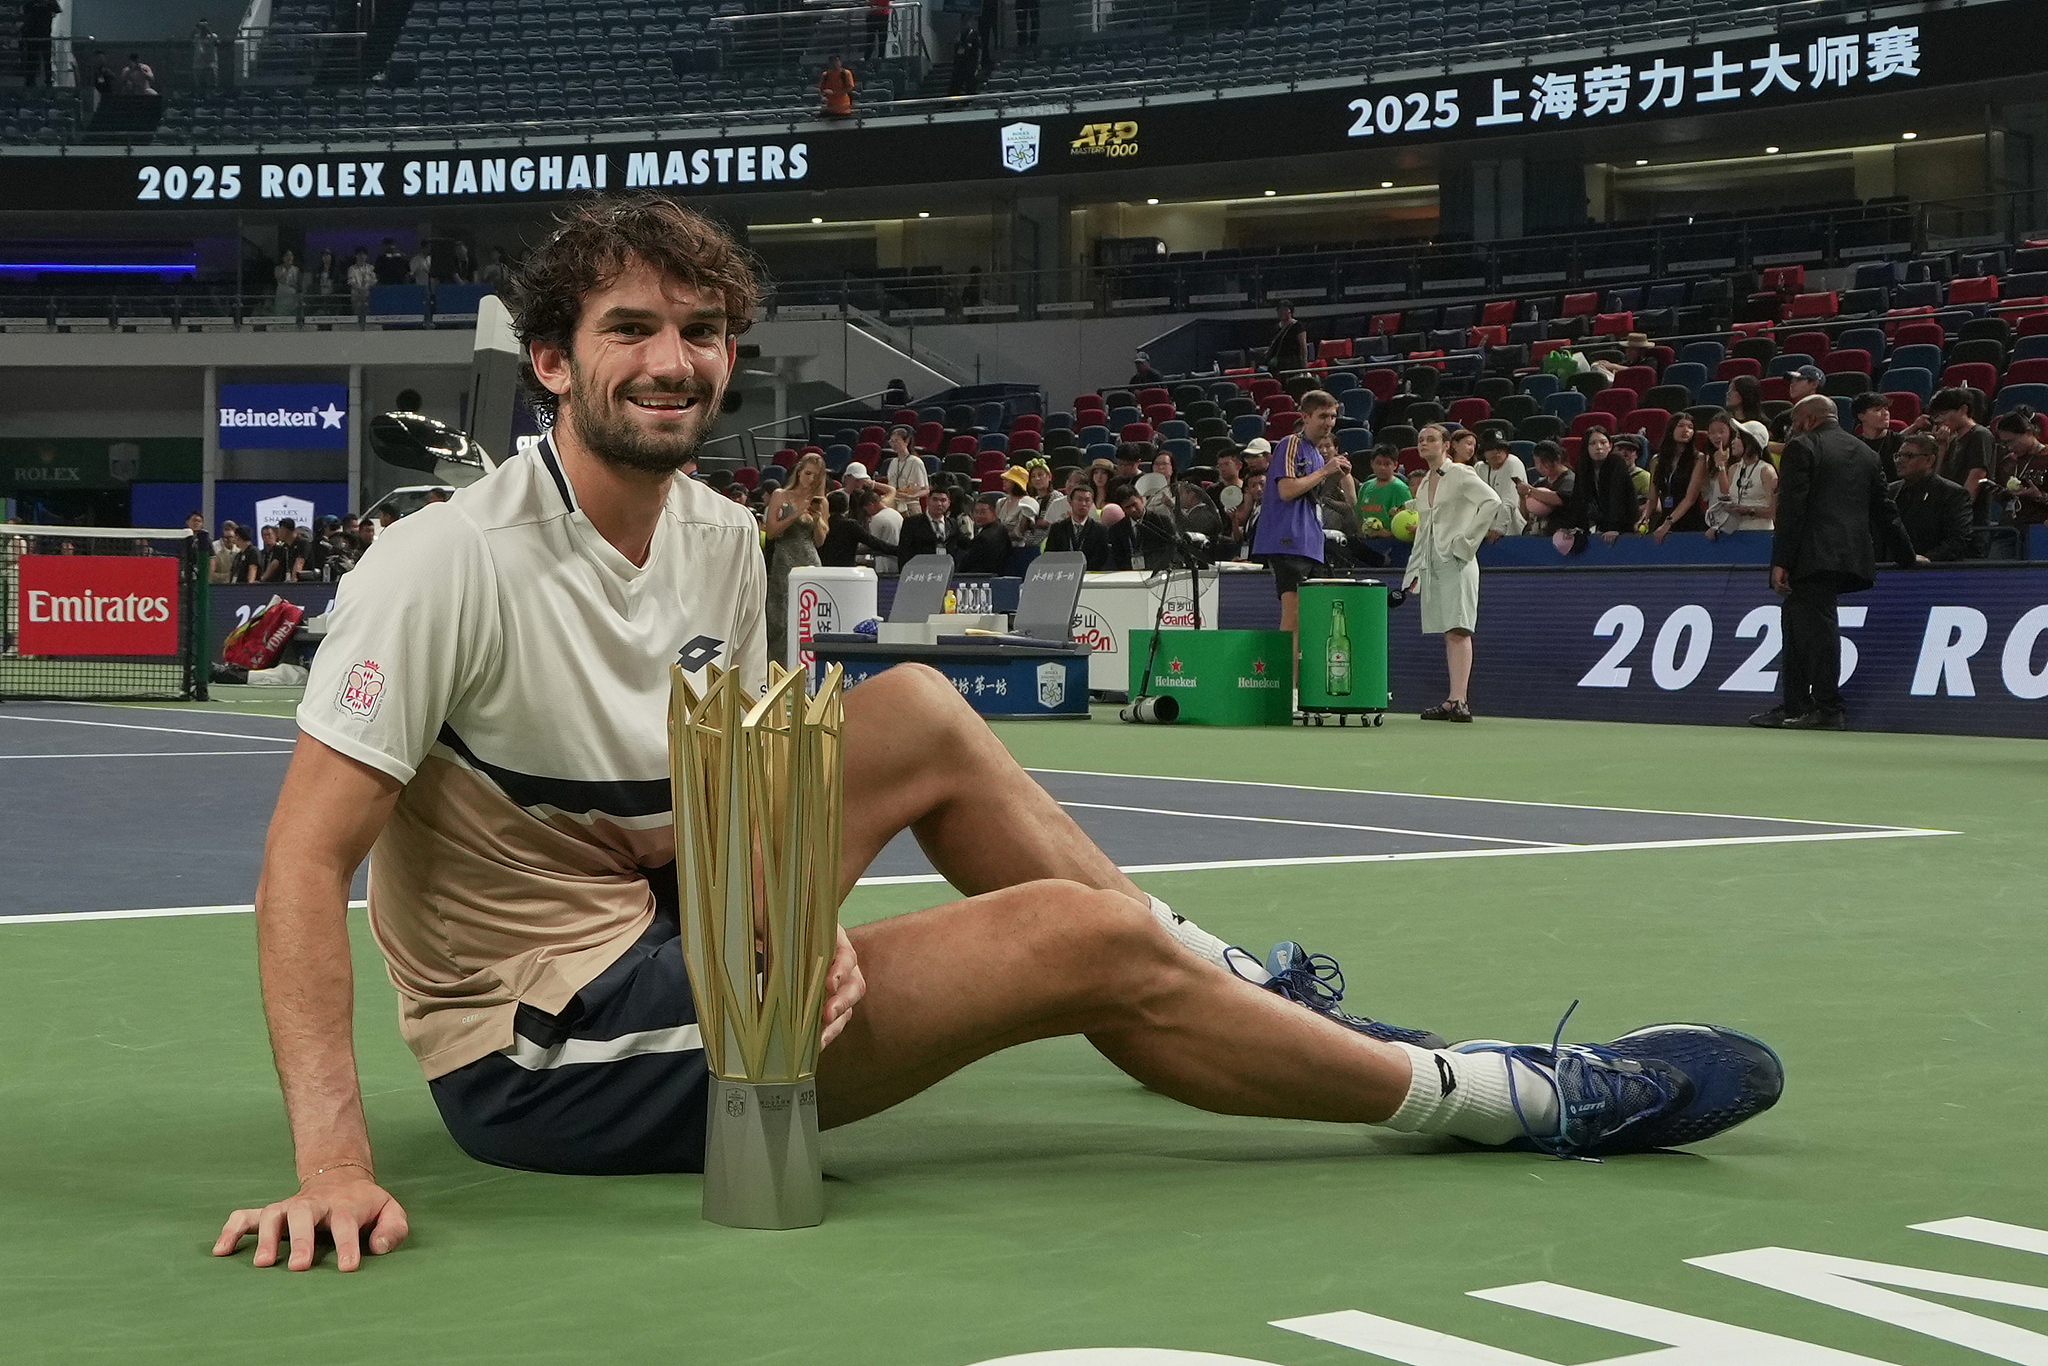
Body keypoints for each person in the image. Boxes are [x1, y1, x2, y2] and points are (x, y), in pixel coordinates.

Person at [217, 199, 1786, 1273]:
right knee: (1075, 941)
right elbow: (303, 861)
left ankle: (1214, 980)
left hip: (675, 939)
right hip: (549, 1050)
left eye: (703, 329)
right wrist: (337, 1161)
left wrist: (785, 914)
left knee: (911, 708)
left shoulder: (711, 537)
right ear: (555, 361)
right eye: (632, 327)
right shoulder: (444, 562)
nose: (675, 359)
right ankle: (1503, 1094)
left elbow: (733, 796)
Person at [1754, 394, 1921, 731]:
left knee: (1816, 630)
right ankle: (1795, 704)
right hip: (1851, 554)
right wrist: (1907, 555)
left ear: (1810, 419)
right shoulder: (1866, 452)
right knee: (1798, 625)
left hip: (1812, 554)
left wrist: (1781, 560)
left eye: (1796, 422)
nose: (1793, 429)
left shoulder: (1803, 446)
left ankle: (1828, 708)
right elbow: (1885, 510)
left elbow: (1792, 508)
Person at [1250, 390, 1349, 689]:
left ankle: (1307, 688)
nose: (1329, 422)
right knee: (1292, 618)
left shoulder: (1319, 455)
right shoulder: (1291, 444)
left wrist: (1339, 474)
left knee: (1314, 622)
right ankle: (1289, 692)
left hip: (1312, 544)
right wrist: (1325, 471)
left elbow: (1347, 503)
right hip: (1287, 540)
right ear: (1305, 417)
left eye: (1332, 416)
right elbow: (1287, 490)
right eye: (1323, 416)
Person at [1403, 424, 1501, 722]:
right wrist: (1413, 571)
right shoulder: (1423, 483)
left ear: (1446, 445)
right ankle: (1453, 699)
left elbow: (1491, 501)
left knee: (1459, 628)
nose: (1424, 444)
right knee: (1449, 631)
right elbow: (1424, 530)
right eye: (1421, 440)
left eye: (1431, 439)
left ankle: (1460, 700)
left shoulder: (1460, 473)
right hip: (1434, 563)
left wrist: (1467, 541)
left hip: (1458, 560)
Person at [763, 452, 829, 667]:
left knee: (808, 618)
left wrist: (818, 520)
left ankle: (807, 667)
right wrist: (794, 514)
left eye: (815, 476)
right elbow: (771, 532)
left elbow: (819, 541)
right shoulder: (780, 495)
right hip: (784, 560)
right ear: (799, 471)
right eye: (808, 473)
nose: (810, 479)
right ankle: (778, 668)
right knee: (779, 619)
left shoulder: (821, 501)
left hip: (810, 559)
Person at [1888, 433, 1972, 562]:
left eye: (1908, 456)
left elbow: (1958, 539)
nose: (1900, 460)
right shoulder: (1890, 492)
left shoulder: (1953, 494)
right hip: (1889, 570)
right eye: (1898, 456)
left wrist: (1927, 559)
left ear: (1929, 460)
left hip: (1935, 573)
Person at [1559, 426, 1636, 547]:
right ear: (1587, 447)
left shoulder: (1617, 461)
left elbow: (1617, 495)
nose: (1598, 447)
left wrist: (1614, 527)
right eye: (1593, 443)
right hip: (1600, 522)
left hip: (1624, 521)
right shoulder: (1582, 465)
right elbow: (1579, 497)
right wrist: (1576, 526)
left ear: (1610, 446)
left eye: (1603, 442)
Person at [1919, 387, 1994, 496]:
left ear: (1963, 410)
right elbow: (1938, 477)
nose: (1938, 420)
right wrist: (1942, 446)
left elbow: (1977, 475)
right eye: (1936, 415)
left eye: (1943, 413)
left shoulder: (1980, 434)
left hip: (1967, 509)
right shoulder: (1952, 439)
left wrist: (1962, 506)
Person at [1649, 411, 1706, 536]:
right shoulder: (1657, 460)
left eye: (1690, 427)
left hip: (1689, 521)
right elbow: (1652, 498)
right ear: (1671, 429)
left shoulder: (1699, 459)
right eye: (1680, 426)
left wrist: (1668, 523)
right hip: (1665, 517)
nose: (1686, 430)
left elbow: (1690, 498)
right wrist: (1644, 518)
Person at [1990, 408, 2048, 528]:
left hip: (2039, 528)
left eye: (2011, 441)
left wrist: (2039, 496)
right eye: (2005, 443)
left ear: (2028, 433)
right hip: (2009, 528)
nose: (2010, 448)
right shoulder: (2007, 462)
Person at [1724, 422, 1778, 532]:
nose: (1733, 442)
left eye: (1738, 437)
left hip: (1760, 532)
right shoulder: (1734, 469)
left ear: (1751, 443)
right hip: (1736, 532)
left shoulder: (1766, 471)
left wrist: (1749, 510)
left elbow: (1776, 511)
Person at [1044, 483, 1111, 568]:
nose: (1083, 504)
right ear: (1070, 502)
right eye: (1079, 500)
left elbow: (1102, 557)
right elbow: (1050, 555)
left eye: (1087, 500)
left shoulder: (1100, 530)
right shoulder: (1057, 528)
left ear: (1091, 503)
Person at [1475, 434, 1525, 537]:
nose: (1496, 452)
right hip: (1485, 529)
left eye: (1500, 448)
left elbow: (1509, 500)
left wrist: (1499, 528)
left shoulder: (1513, 463)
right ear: (1483, 453)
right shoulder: (1479, 467)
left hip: (1512, 530)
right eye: (1490, 448)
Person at [1519, 442, 1571, 535]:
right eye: (1537, 463)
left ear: (1558, 459)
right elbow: (1526, 515)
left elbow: (1559, 499)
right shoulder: (1540, 483)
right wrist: (1523, 497)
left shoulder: (1569, 480)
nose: (1539, 467)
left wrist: (1530, 490)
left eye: (1544, 462)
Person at [955, 491, 1013, 573]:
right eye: (976, 512)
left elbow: (967, 563)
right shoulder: (1001, 528)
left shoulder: (985, 537)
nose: (978, 516)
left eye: (983, 512)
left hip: (981, 577)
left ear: (994, 512)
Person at [1851, 393, 1901, 483]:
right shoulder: (1853, 445)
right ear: (1861, 416)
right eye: (1877, 410)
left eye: (1886, 409)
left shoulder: (1900, 442)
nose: (1885, 413)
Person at [881, 425, 930, 515]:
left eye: (897, 441)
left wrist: (910, 496)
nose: (894, 444)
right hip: (893, 503)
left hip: (910, 505)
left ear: (906, 442)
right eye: (892, 441)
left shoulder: (916, 462)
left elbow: (925, 489)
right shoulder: (893, 462)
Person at [21, 0, 61, 87]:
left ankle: (46, 80)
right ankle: (31, 80)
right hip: (34, 34)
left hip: (43, 34)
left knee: (45, 59)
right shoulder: (32, 2)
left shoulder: (49, 2)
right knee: (33, 58)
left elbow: (56, 10)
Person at [1265, 301, 1310, 377]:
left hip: (1293, 362)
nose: (1282, 312)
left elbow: (1303, 346)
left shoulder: (1298, 326)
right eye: (1280, 310)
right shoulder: (1275, 328)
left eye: (1285, 310)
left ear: (1290, 311)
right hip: (1277, 364)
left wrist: (1304, 364)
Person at [346, 246, 375, 314]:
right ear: (356, 256)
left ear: (366, 256)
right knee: (357, 314)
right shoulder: (352, 268)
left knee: (369, 313)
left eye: (363, 254)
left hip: (368, 295)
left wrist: (367, 287)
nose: (362, 256)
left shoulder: (371, 268)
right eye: (359, 254)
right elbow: (351, 281)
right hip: (356, 296)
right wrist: (360, 289)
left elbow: (374, 280)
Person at [192, 20, 219, 88]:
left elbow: (217, 43)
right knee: (199, 83)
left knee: (211, 83)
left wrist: (209, 31)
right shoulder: (197, 37)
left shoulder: (213, 37)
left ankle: (210, 95)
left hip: (210, 63)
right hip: (198, 64)